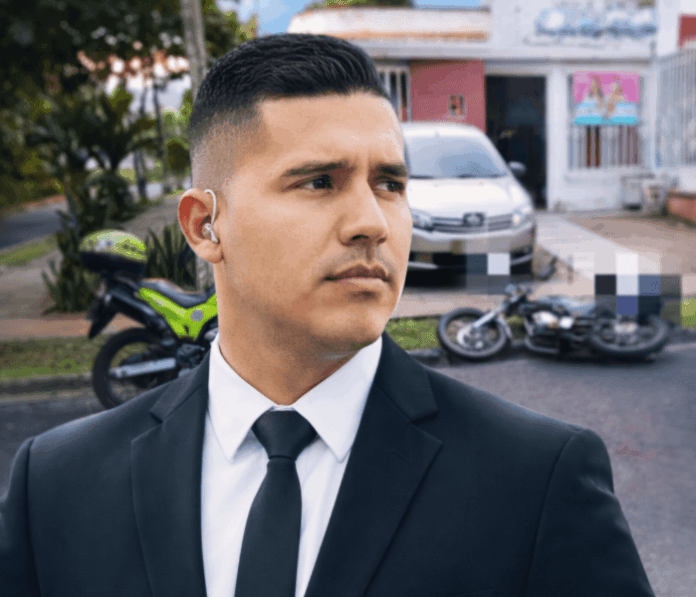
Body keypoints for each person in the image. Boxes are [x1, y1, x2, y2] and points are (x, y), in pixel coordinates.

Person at [0, 34, 654, 597]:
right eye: (318, 182)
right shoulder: (56, 484)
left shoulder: (534, 479)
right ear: (204, 226)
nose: (373, 221)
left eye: (390, 184)